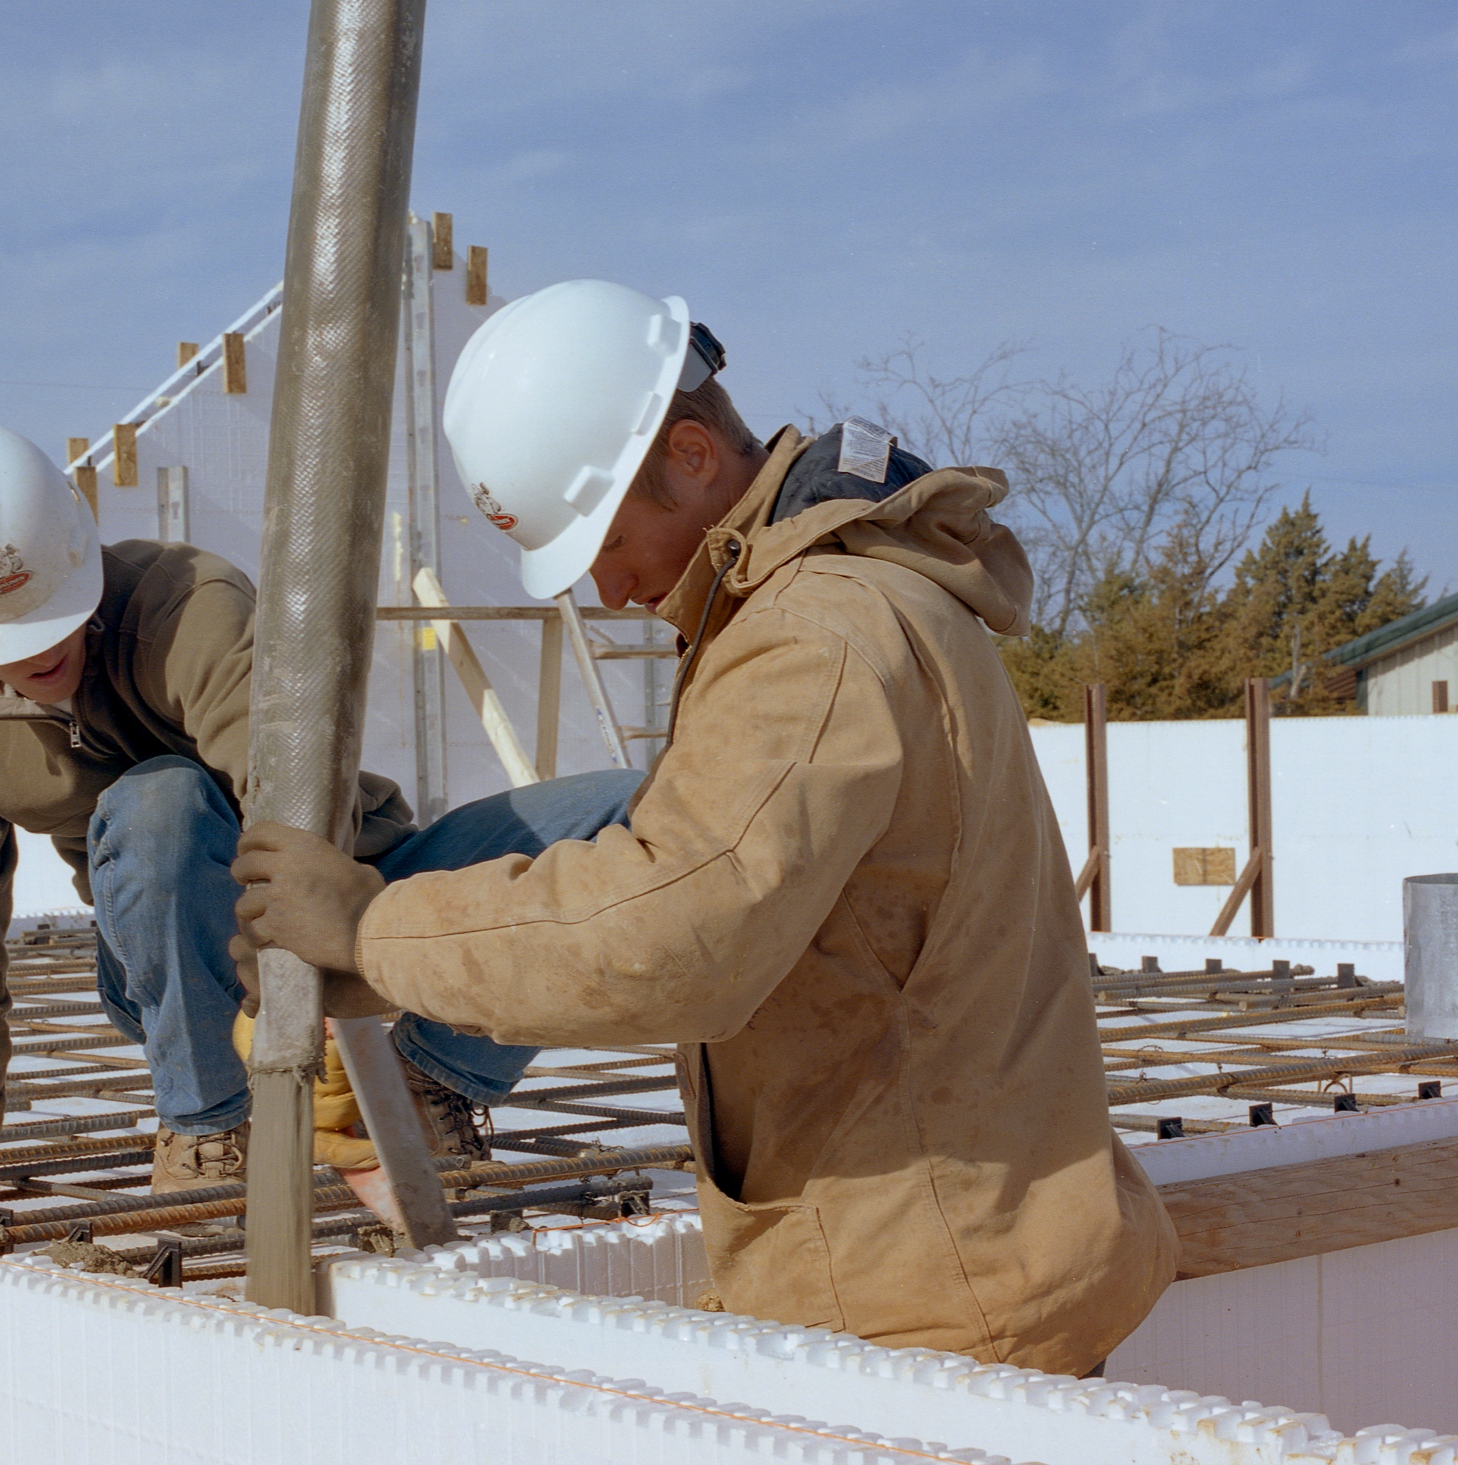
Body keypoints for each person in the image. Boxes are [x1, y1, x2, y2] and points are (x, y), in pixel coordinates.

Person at [230, 280, 1177, 1376]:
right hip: (953, 1250)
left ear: (689, 454)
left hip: (925, 1298)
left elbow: (675, 928)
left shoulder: (810, 634)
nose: (605, 585)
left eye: (607, 537)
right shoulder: (838, 599)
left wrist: (375, 931)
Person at [0, 416, 639, 1220]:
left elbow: (289, 799)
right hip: (177, 972)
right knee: (159, 799)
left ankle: (425, 1085)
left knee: (626, 812)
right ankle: (211, 1129)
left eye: (53, 607)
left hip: (347, 886)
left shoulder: (182, 602)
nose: (43, 647)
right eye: (7, 634)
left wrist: (328, 981)